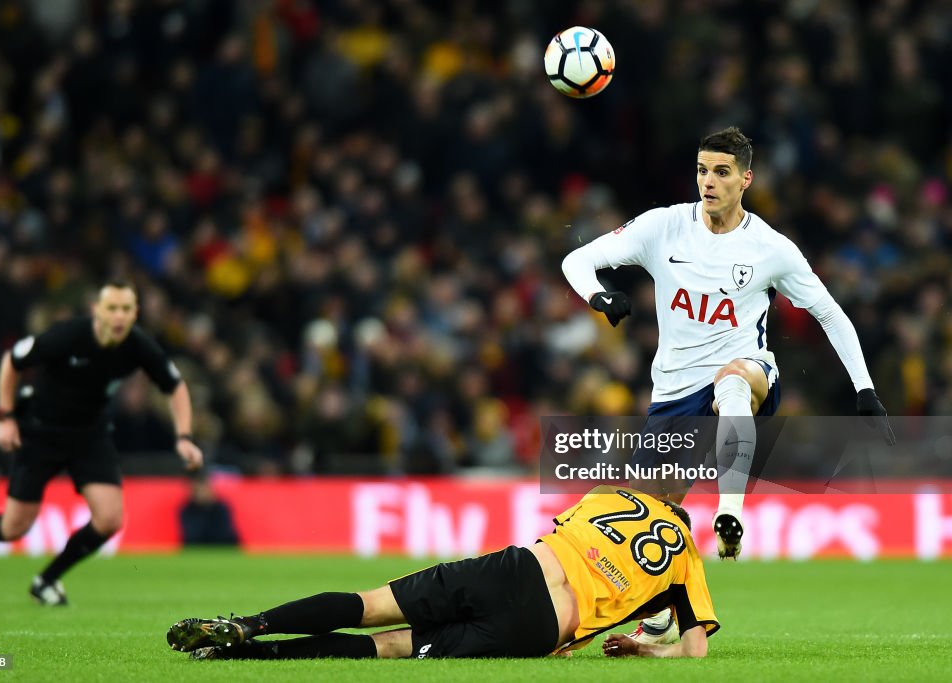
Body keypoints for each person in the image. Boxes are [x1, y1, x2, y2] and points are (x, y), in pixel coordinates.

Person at [560, 126, 894, 642]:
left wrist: (865, 391)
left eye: (721, 172)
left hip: (748, 368)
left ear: (745, 179)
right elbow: (577, 260)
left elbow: (830, 313)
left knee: (734, 383)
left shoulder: (770, 249)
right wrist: (597, 296)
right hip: (673, 387)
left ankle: (729, 511)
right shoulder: (662, 227)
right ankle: (659, 620)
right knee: (655, 515)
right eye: (701, 170)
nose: (708, 182)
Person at [165, 486, 717, 660]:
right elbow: (696, 651)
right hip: (542, 629)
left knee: (367, 604)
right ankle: (245, 657)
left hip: (518, 569)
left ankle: (248, 625)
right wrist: (647, 650)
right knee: (390, 648)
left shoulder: (611, 496)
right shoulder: (687, 558)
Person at [0, 280, 203, 606]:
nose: (119, 316)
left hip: (89, 435)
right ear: (97, 310)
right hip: (41, 432)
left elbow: (175, 386)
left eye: (126, 309)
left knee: (109, 520)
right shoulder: (68, 336)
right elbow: (12, 361)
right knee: (14, 528)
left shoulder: (137, 345)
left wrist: (184, 437)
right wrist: (5, 417)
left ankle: (46, 580)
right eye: (112, 308)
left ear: (135, 313)